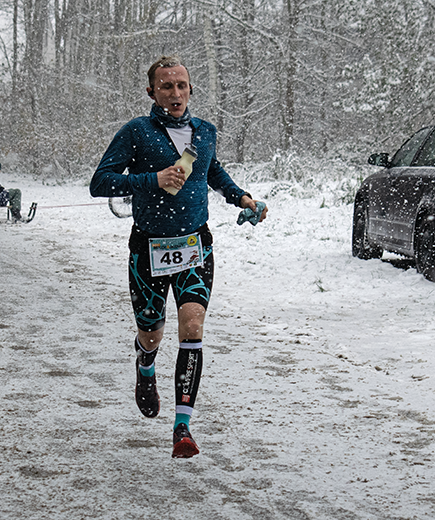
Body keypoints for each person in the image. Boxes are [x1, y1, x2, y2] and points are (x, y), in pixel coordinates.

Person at [90, 55, 268, 458]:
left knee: (192, 325)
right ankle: (145, 364)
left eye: (181, 85)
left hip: (194, 246)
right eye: (166, 86)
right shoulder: (136, 132)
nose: (175, 93)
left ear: (190, 90)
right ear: (151, 91)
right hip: (148, 248)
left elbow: (211, 172)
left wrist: (242, 197)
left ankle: (182, 426)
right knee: (152, 331)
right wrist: (151, 179)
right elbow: (99, 183)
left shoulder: (204, 132)